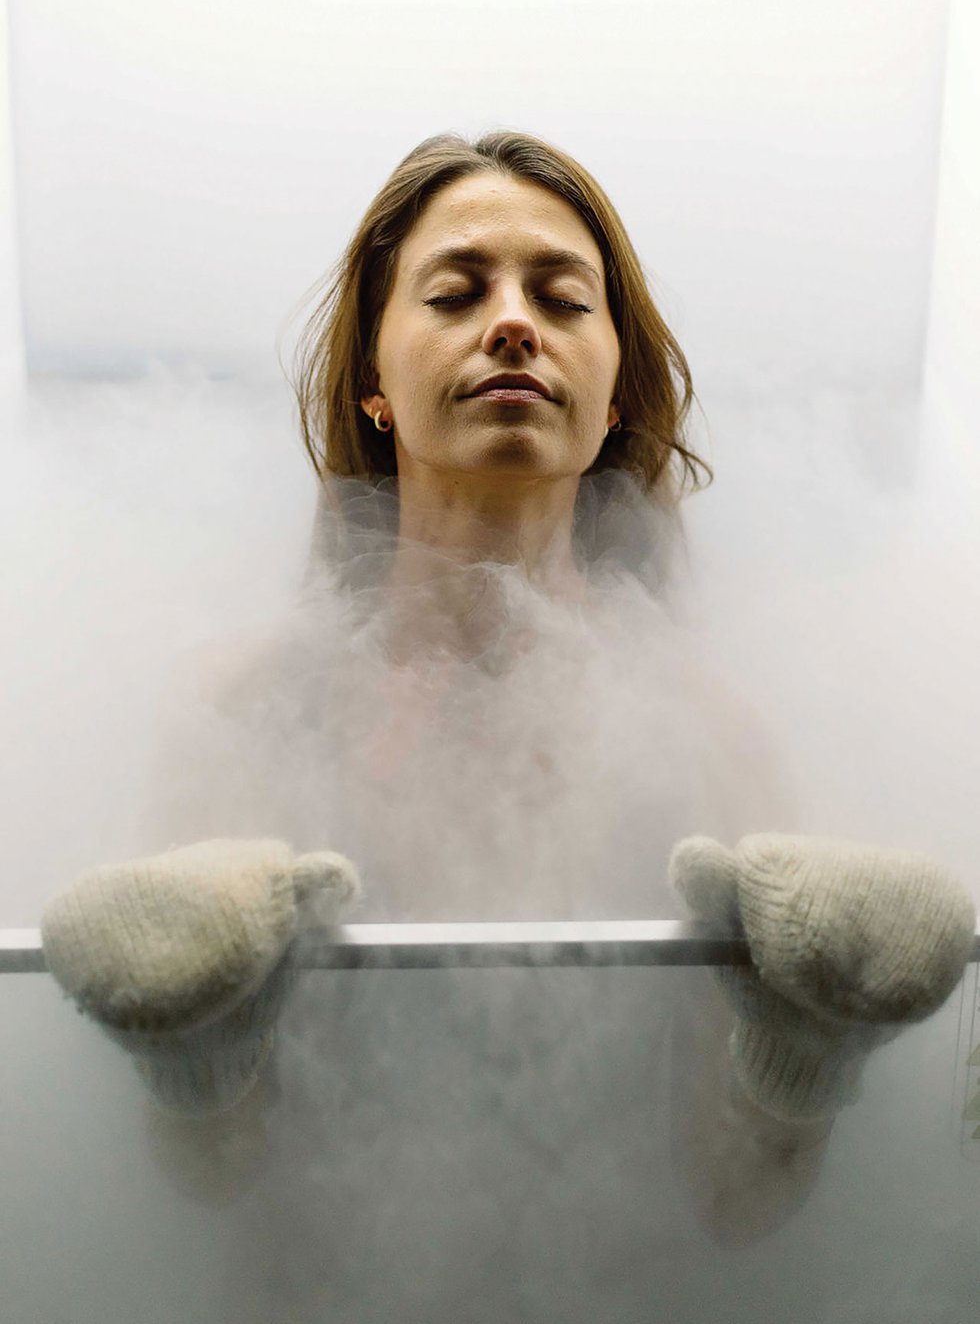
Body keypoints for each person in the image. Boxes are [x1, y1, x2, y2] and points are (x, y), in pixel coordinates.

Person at [40, 131, 975, 1254]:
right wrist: (191, 1058)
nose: (512, 319)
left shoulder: (707, 732)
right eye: (455, 289)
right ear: (372, 387)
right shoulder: (248, 709)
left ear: (615, 396)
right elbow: (213, 1197)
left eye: (562, 297)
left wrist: (807, 1049)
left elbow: (736, 1208)